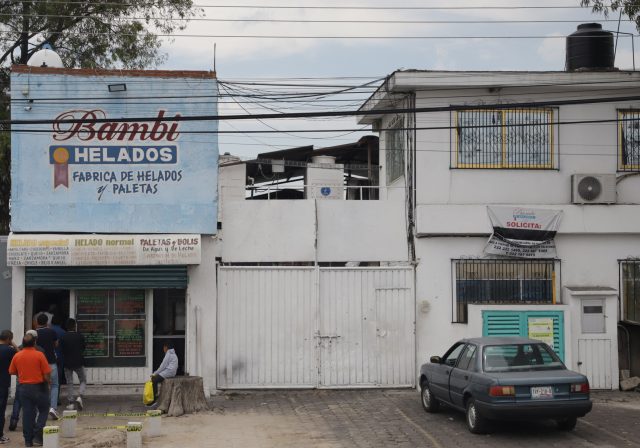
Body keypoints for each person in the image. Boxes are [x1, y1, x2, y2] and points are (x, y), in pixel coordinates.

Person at [9, 333, 51, 447]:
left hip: (24, 388)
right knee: (44, 410)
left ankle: (28, 440)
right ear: (34, 343)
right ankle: (38, 433)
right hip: (39, 387)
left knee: (27, 413)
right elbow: (47, 372)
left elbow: (11, 371)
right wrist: (48, 383)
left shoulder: (17, 356)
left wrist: (22, 374)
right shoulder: (39, 355)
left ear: (23, 344)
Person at [34, 314, 59, 420]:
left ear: (37, 322)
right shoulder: (52, 331)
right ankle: (52, 408)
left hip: (38, 365)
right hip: (51, 362)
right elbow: (56, 344)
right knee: (54, 386)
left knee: (39, 386)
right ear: (47, 322)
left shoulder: (34, 334)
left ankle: (39, 410)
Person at [60, 319, 86, 410]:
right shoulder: (80, 336)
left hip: (67, 363)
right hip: (79, 362)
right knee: (83, 380)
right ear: (75, 326)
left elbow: (61, 350)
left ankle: (71, 402)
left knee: (69, 382)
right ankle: (80, 396)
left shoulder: (63, 337)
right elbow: (83, 348)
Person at [0, 330, 17, 444]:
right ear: (9, 339)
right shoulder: (10, 350)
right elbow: (21, 355)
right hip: (3, 384)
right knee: (1, 409)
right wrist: (14, 345)